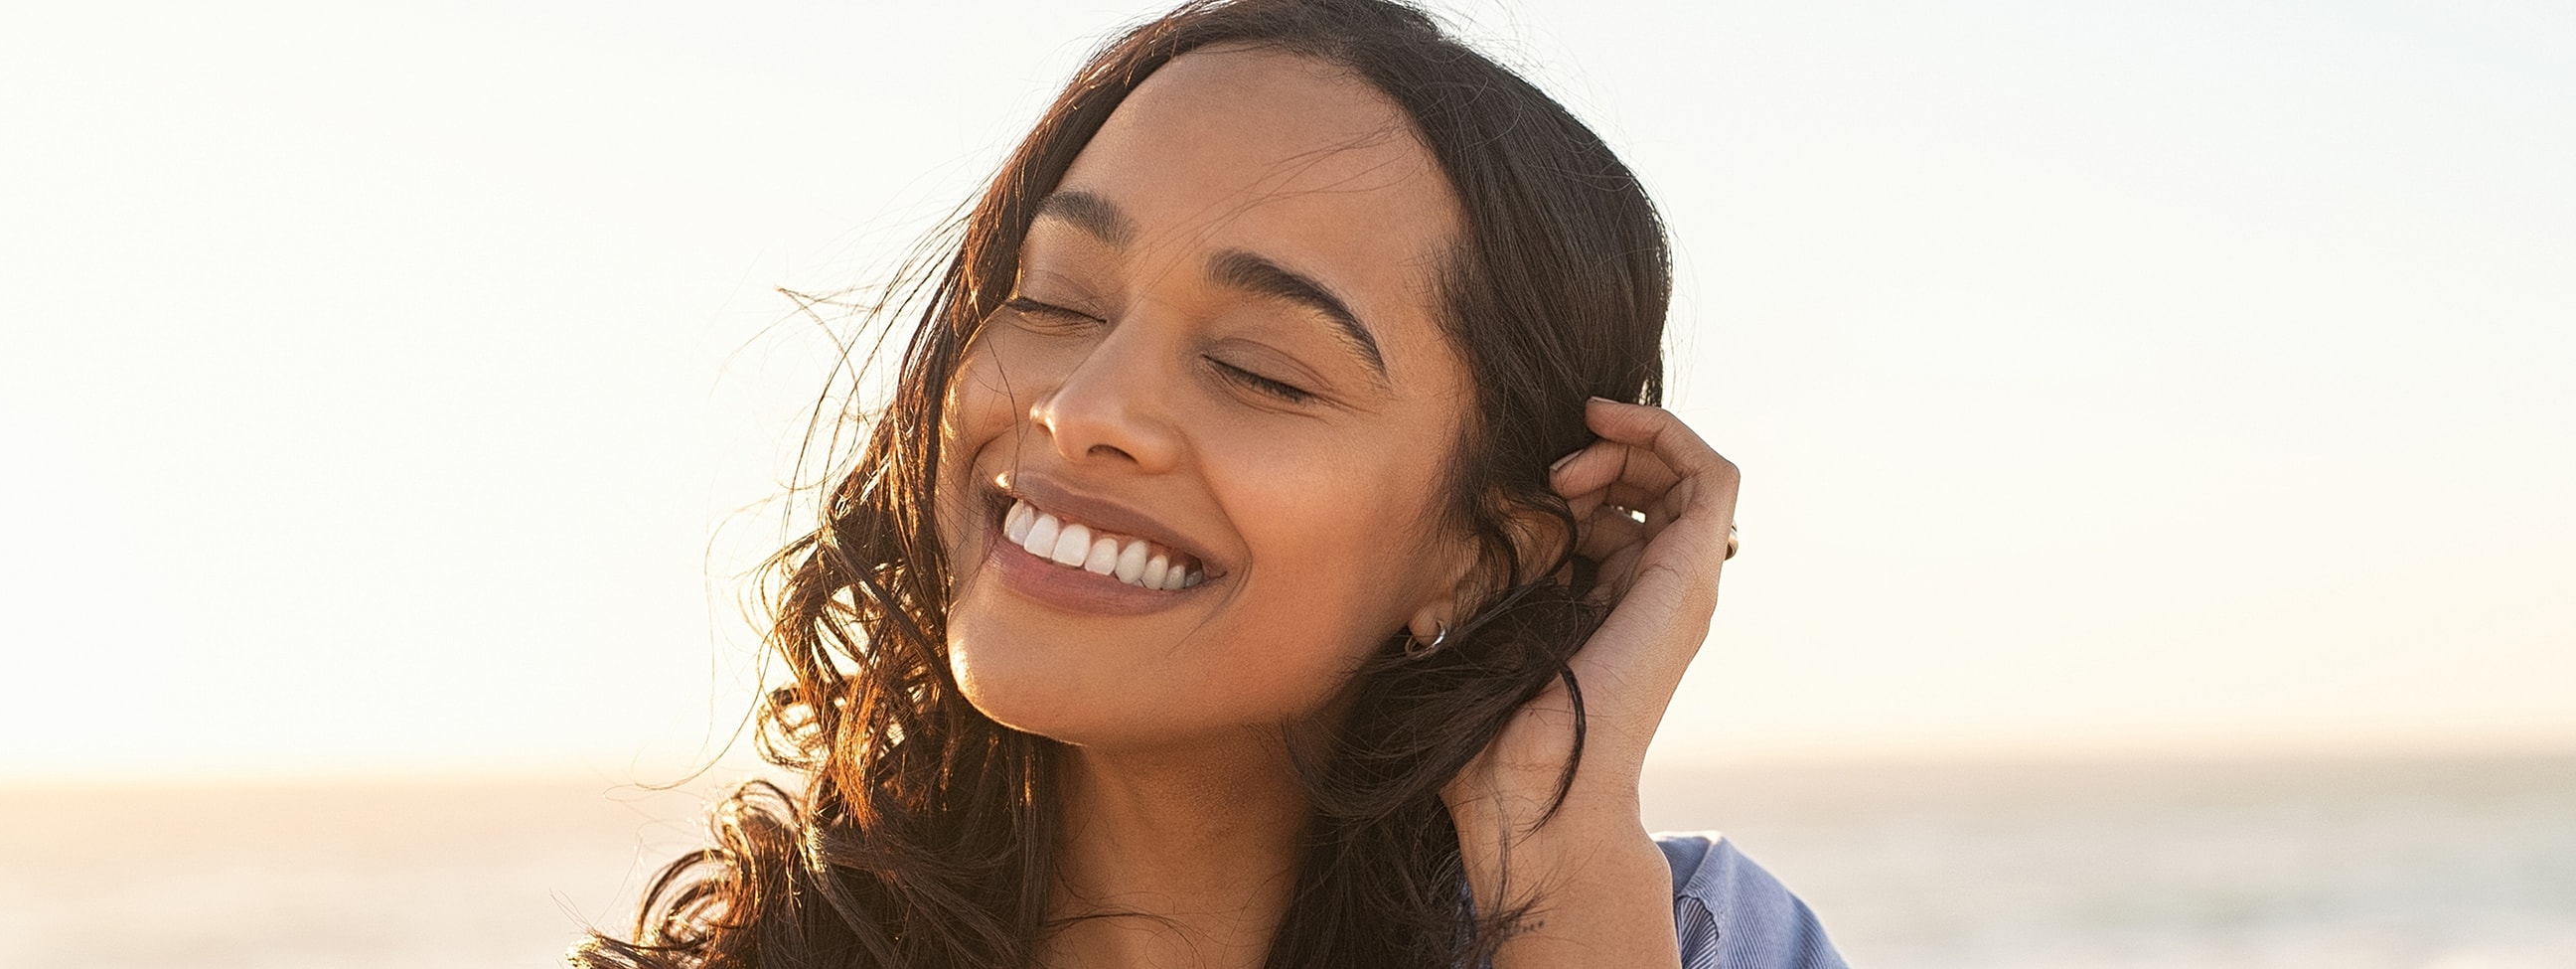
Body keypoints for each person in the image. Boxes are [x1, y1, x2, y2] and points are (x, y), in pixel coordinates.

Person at [575, 1, 1845, 966]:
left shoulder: (1686, 937)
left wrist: (1552, 842)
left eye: (1258, 371)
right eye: (1055, 300)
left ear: (1481, 552)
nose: (1083, 412)